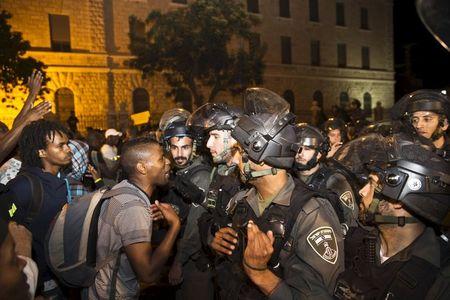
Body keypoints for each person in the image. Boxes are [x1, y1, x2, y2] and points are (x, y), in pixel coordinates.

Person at [210, 88, 344, 299]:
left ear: (264, 158)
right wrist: (223, 247)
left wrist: (259, 273)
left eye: (242, 153)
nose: (236, 160)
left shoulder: (312, 214)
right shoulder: (241, 201)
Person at [334, 140, 450, 299]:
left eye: (372, 184)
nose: (362, 191)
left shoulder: (437, 278)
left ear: (397, 202)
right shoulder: (357, 243)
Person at [88, 137, 181, 299]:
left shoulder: (122, 189)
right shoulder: (133, 208)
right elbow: (148, 274)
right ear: (142, 167)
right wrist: (174, 226)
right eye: (161, 158)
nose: (168, 162)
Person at [6, 119, 72, 298]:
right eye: (61, 146)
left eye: (68, 144)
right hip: (41, 282)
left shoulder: (59, 181)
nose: (68, 149)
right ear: (42, 152)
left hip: (61, 275)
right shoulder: (23, 187)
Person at [159, 108, 213, 300]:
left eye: (185, 147)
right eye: (174, 147)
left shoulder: (201, 176)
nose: (179, 154)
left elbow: (194, 228)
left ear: (195, 147)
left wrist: (178, 263)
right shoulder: (178, 172)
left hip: (193, 261)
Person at [293, 123, 358, 231]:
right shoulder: (287, 176)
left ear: (318, 154)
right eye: (298, 148)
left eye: (307, 149)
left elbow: (351, 220)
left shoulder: (335, 180)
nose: (300, 154)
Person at [391, 89, 449, 161]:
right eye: (415, 120)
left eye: (427, 119)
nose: (418, 125)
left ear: (444, 124)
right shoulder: (407, 149)